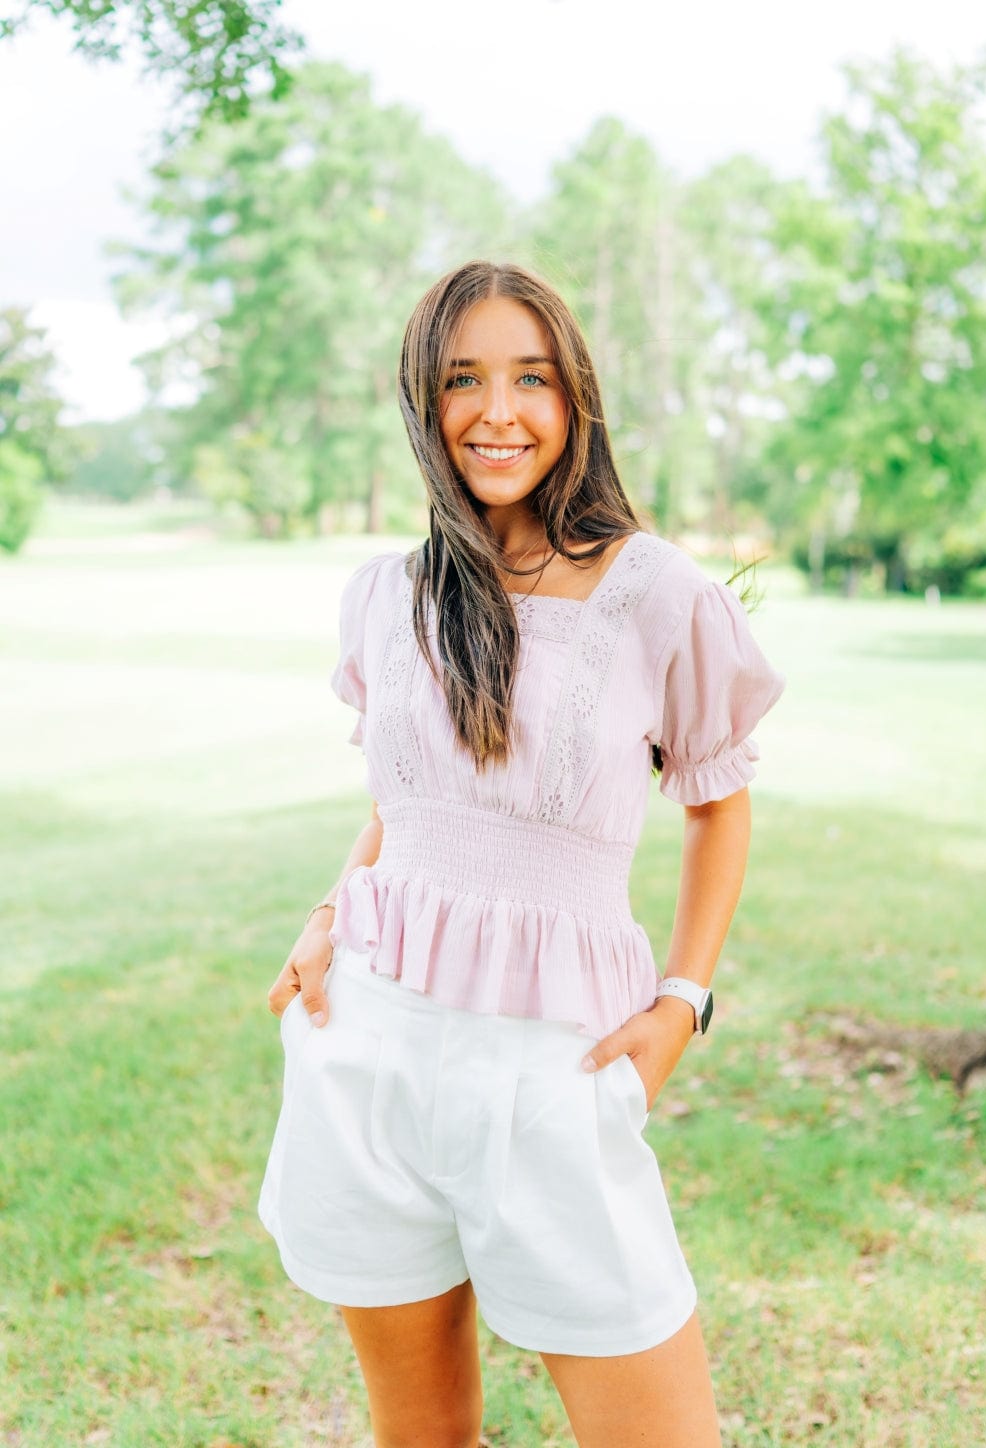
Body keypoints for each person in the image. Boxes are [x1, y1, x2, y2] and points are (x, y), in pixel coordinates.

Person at [259, 259, 784, 1448]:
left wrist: (682, 1002)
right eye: (462, 379)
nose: (496, 411)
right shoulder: (390, 593)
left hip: (554, 1063)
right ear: (422, 399)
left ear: (573, 395)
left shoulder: (657, 593)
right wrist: (326, 913)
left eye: (529, 377)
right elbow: (405, 802)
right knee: (422, 1436)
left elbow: (718, 802)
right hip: (366, 1050)